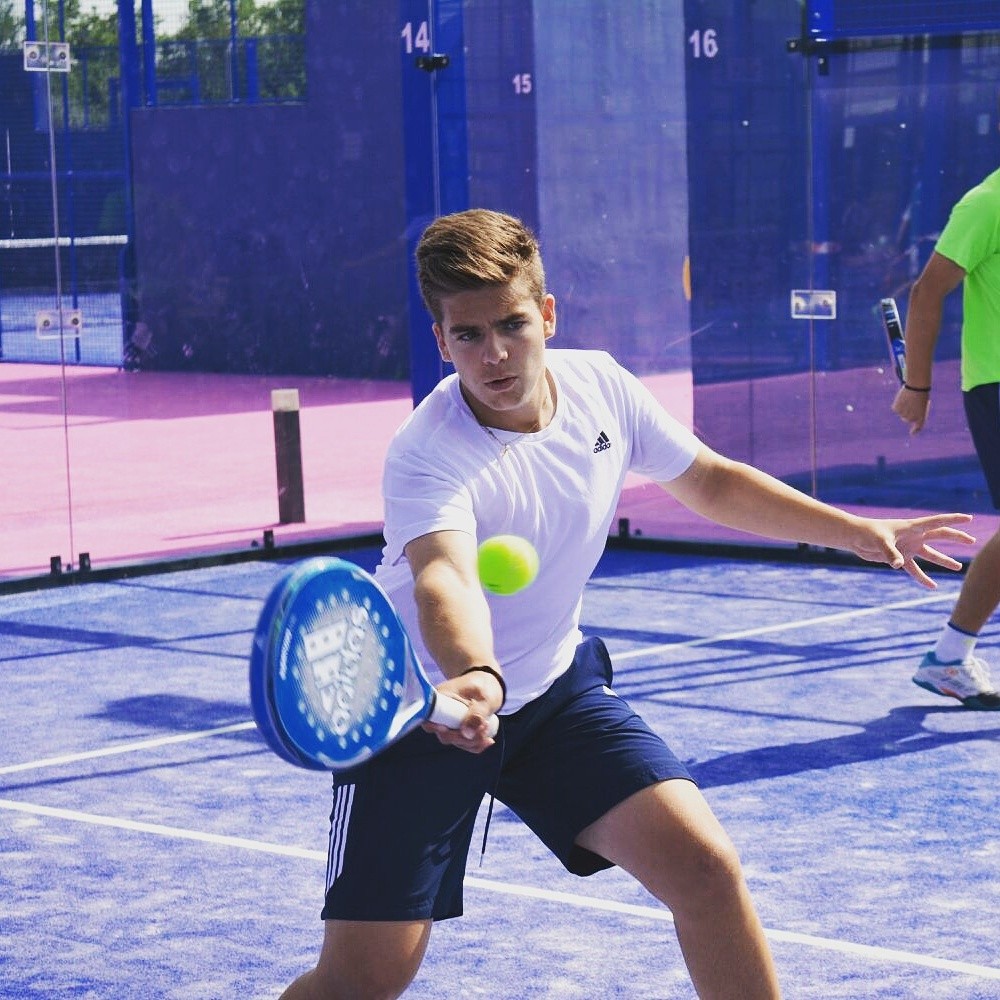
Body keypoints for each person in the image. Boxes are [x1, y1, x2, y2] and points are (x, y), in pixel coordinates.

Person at [282, 209, 973, 999]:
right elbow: (445, 578)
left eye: (511, 324)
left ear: (547, 314)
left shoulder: (601, 387)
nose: (494, 353)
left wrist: (856, 532)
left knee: (705, 869)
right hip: (422, 713)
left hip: (553, 696)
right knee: (363, 980)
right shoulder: (427, 450)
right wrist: (473, 674)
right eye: (468, 335)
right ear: (441, 341)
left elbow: (709, 480)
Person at [892, 166, 1000, 711]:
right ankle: (950, 657)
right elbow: (927, 291)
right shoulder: (986, 203)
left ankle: (950, 656)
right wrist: (917, 385)